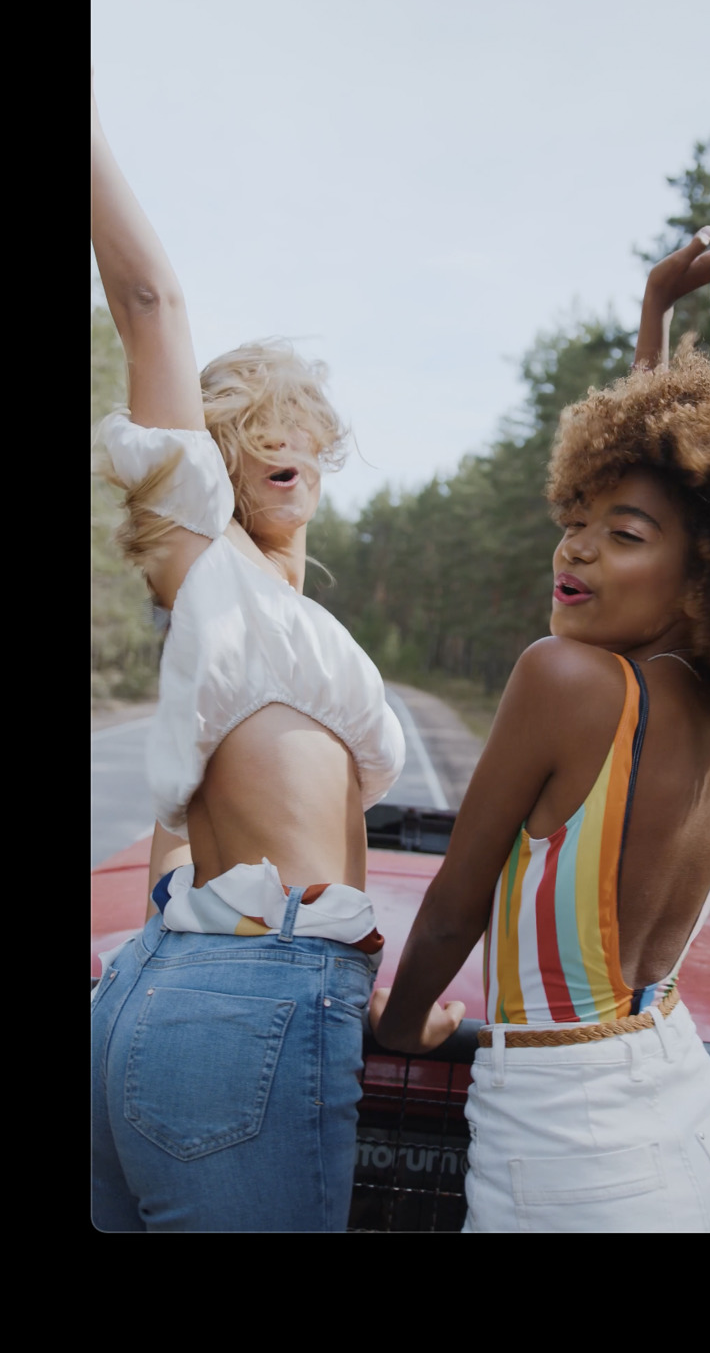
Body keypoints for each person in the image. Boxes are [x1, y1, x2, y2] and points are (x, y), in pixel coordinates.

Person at [370, 210, 710, 1233]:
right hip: (682, 1098)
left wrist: (403, 1026)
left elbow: (457, 901)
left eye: (617, 536)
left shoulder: (566, 681)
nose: (574, 549)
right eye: (573, 521)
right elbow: (657, 480)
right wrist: (655, 316)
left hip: (571, 1137)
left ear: (699, 576)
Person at [90, 74, 407, 1232]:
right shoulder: (202, 558)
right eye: (245, 427)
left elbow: (211, 831)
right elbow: (149, 299)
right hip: (240, 997)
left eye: (300, 426)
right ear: (209, 463)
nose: (280, 438)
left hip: (193, 984)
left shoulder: (294, 628)